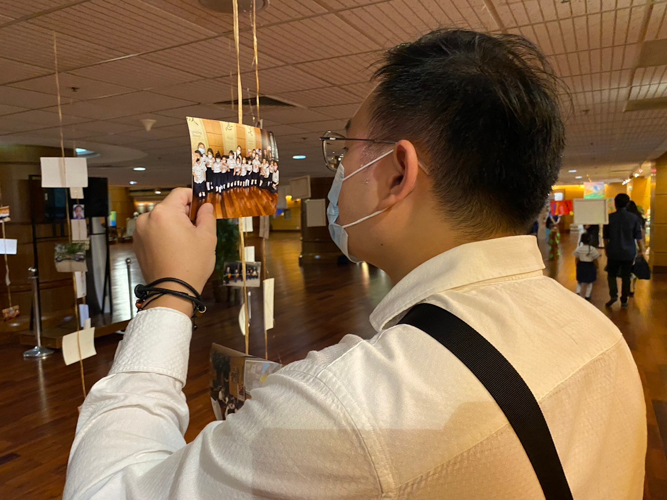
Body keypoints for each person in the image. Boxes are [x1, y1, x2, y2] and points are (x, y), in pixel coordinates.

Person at [64, 29, 645, 499]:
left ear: (397, 174)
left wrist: (168, 294)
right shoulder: (598, 333)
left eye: (345, 151)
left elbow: (105, 489)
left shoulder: (345, 406)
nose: (338, 171)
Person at [603, 193, 645, 308]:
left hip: (613, 251)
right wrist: (642, 250)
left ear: (615, 204)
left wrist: (607, 250)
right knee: (626, 276)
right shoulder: (633, 218)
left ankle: (613, 295)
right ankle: (624, 299)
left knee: (611, 274)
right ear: (627, 204)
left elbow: (605, 238)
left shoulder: (610, 218)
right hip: (629, 252)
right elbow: (638, 237)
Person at [626, 201, 646, 297]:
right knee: (635, 266)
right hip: (638, 244)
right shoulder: (640, 218)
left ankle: (628, 286)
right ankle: (633, 287)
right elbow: (642, 234)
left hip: (629, 244)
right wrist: (643, 248)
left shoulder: (628, 218)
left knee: (628, 266)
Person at [573, 232, 601, 301]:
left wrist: (577, 265)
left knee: (580, 281)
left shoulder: (579, 249)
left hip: (581, 265)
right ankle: (587, 296)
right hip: (590, 266)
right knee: (590, 282)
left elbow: (576, 258)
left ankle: (577, 292)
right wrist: (597, 267)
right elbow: (595, 259)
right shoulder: (592, 249)